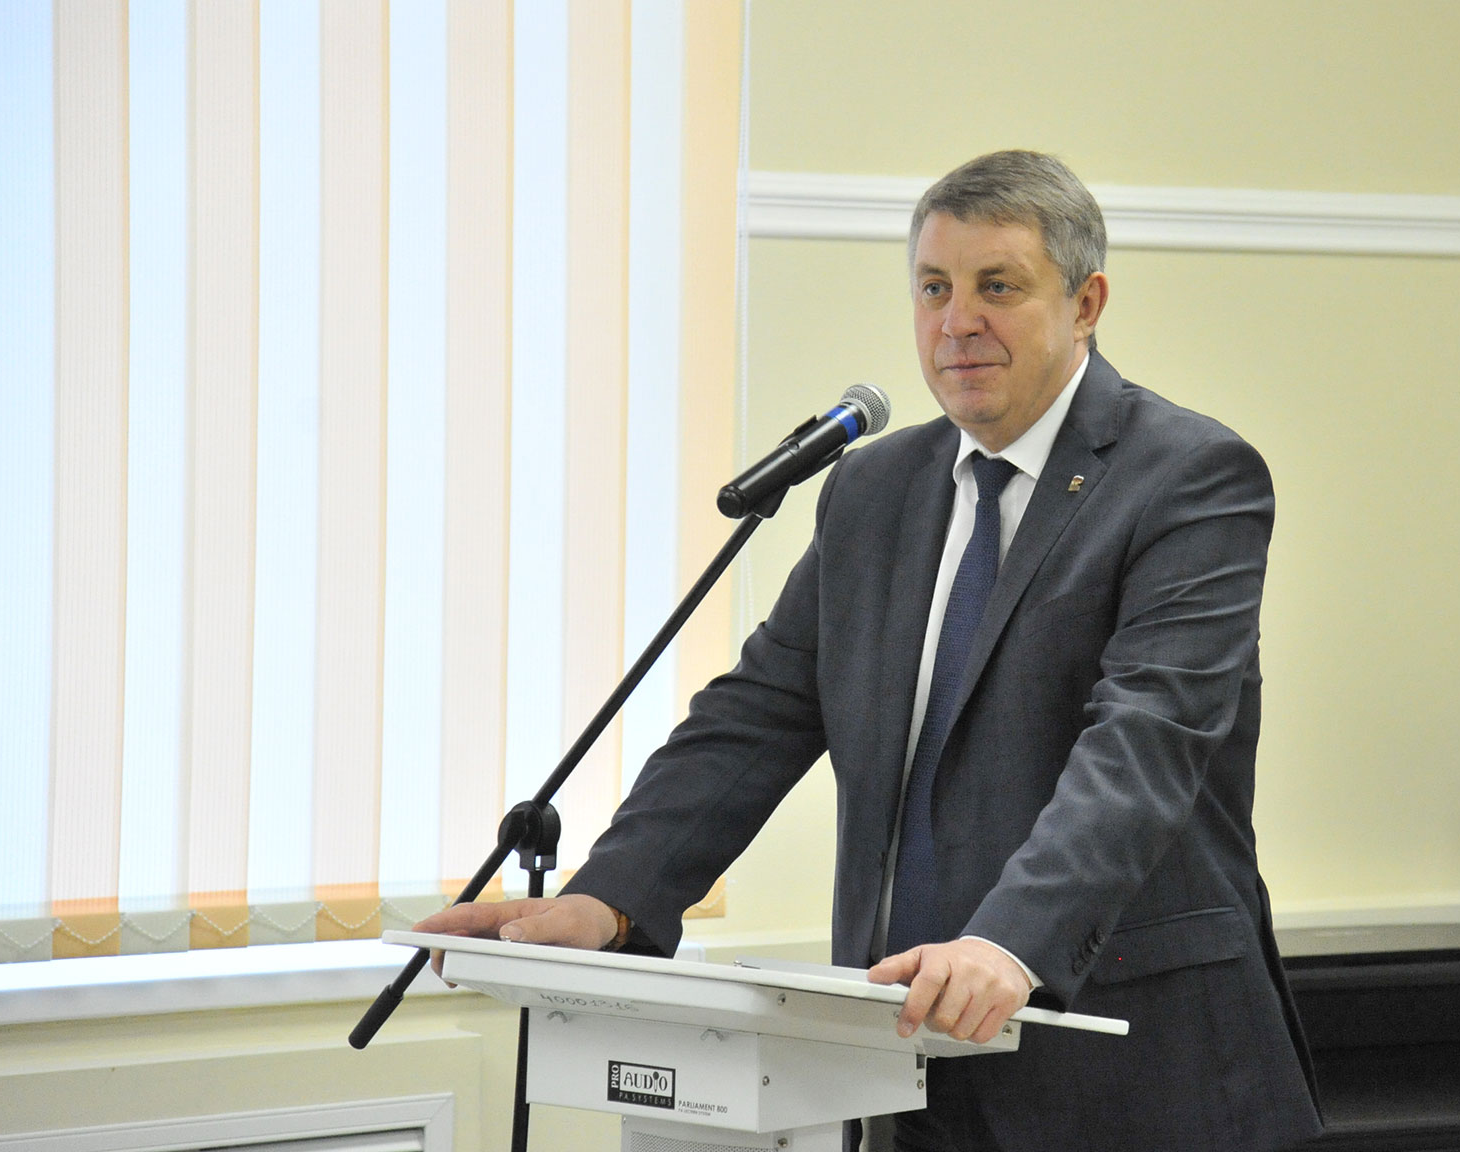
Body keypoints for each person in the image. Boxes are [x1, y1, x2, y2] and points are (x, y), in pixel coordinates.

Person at [416, 150, 1322, 1152]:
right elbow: (755, 718)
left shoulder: (1190, 478)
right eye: (933, 288)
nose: (956, 322)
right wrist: (609, 900)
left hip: (1131, 1068)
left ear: (1086, 303)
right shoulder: (874, 489)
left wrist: (1007, 944)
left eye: (997, 287)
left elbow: (1143, 747)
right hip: (900, 1051)